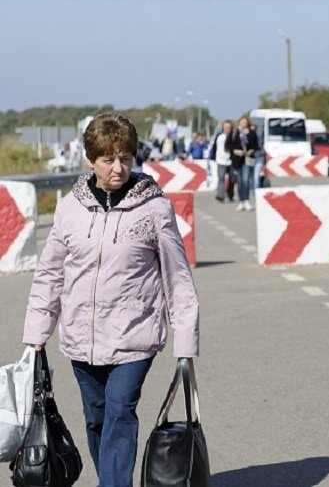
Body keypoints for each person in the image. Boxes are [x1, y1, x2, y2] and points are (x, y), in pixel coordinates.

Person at [22, 113, 200, 487]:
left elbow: (177, 276)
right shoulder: (70, 208)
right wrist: (36, 334)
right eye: (108, 159)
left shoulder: (154, 209)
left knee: (121, 412)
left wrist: (185, 343)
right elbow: (50, 274)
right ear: (91, 159)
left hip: (134, 337)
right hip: (80, 340)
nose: (118, 168)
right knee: (96, 418)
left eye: (125, 158)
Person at [227, 116, 258, 211]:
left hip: (247, 160)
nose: (244, 124)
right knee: (239, 182)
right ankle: (241, 201)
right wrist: (235, 151)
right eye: (242, 122)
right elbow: (228, 145)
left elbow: (255, 145)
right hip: (237, 161)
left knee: (246, 180)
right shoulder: (234, 133)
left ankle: (246, 200)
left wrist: (251, 151)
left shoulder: (251, 133)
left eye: (245, 122)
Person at [209, 120, 235, 202]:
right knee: (221, 178)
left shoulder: (233, 136)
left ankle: (230, 194)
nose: (227, 128)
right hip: (220, 160)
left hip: (231, 161)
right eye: (226, 127)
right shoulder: (219, 136)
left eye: (229, 127)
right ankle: (220, 195)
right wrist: (212, 156)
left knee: (232, 179)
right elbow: (214, 147)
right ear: (223, 127)